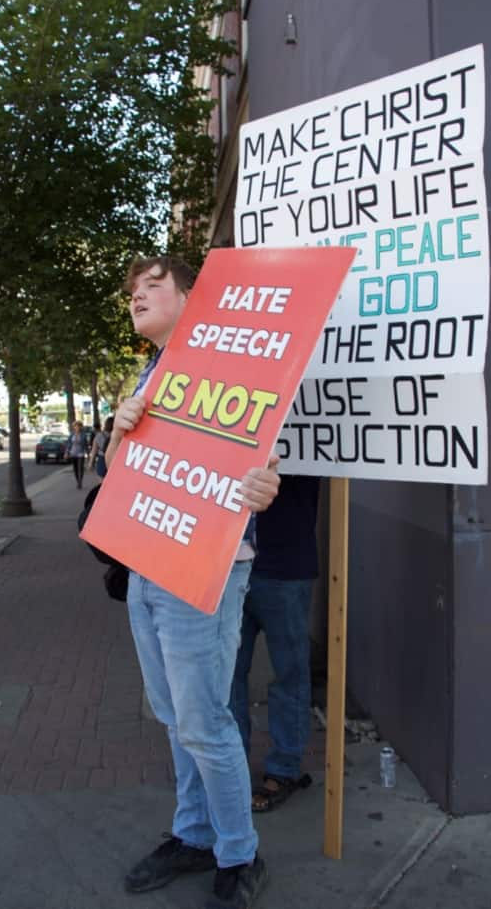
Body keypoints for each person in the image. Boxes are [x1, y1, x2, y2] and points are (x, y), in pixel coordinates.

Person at [105, 254, 280, 909]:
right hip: (147, 566)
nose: (137, 296)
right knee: (175, 716)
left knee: (204, 720)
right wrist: (119, 433)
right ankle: (195, 834)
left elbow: (260, 457)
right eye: (132, 290)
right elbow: (126, 472)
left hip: (204, 564)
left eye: (154, 285)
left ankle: (239, 853)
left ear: (191, 298)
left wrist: (267, 485)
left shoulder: (225, 366)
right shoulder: (151, 374)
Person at [229, 475, 320, 812]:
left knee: (287, 674)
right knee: (231, 676)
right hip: (237, 562)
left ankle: (281, 769)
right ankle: (244, 769)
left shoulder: (307, 424)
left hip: (283, 564)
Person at [66, 420, 89, 489]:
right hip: (73, 453)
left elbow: (86, 445)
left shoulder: (83, 435)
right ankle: (77, 481)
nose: (77, 427)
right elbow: (69, 444)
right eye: (76, 426)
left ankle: (80, 482)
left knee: (80, 468)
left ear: (81, 427)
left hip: (80, 454)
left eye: (79, 426)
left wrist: (88, 454)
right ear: (74, 427)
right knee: (75, 468)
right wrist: (67, 452)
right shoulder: (71, 435)